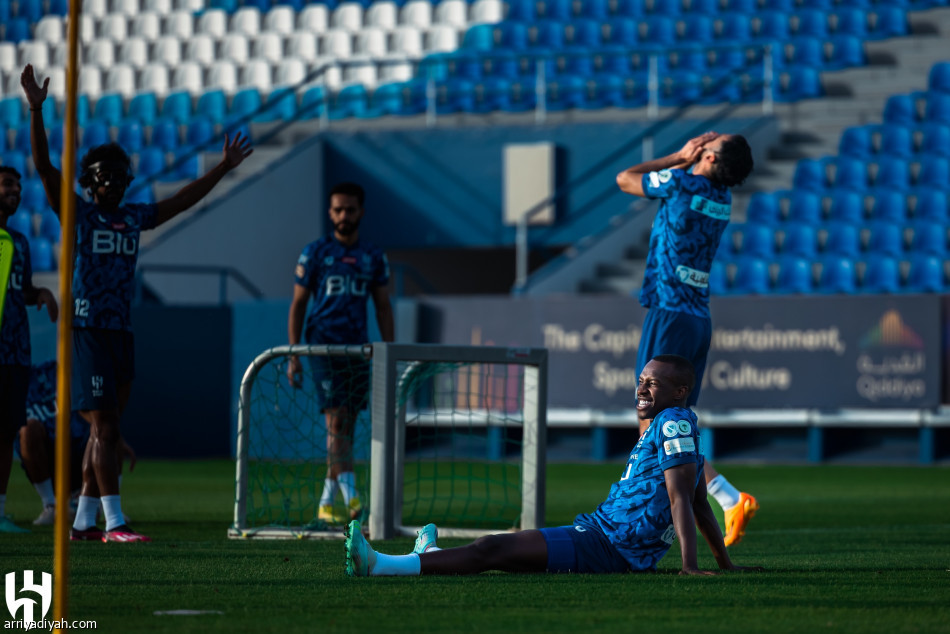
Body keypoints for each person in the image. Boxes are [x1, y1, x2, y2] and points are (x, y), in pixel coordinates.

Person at [21, 63, 253, 542]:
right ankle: (115, 522)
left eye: (118, 176)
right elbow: (44, 167)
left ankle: (82, 523)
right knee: (105, 426)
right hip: (87, 330)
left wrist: (222, 169)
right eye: (104, 177)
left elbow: (182, 202)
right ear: (90, 182)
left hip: (121, 330)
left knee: (105, 430)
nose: (112, 184)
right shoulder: (79, 214)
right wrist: (36, 111)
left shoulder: (133, 217)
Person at [344, 355, 761, 577]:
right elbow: (699, 502)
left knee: (492, 549)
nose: (641, 388)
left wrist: (690, 566)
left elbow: (681, 498)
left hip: (608, 548)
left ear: (680, 391)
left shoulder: (673, 421)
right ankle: (429, 556)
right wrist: (725, 563)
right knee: (497, 552)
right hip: (600, 536)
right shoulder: (674, 426)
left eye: (653, 383)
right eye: (641, 380)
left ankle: (381, 566)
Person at [615, 131, 759, 546]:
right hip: (697, 317)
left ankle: (718, 500)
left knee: (650, 419)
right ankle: (717, 502)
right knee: (671, 423)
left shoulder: (680, 181)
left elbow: (625, 178)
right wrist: (691, 159)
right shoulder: (722, 198)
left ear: (708, 158)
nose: (702, 141)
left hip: (669, 312)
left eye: (709, 141)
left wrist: (677, 156)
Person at [286, 182, 394, 525]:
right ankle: (354, 500)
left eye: (349, 209)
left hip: (358, 349)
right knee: (336, 422)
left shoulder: (373, 256)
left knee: (347, 426)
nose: (343, 215)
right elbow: (298, 304)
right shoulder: (315, 253)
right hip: (323, 345)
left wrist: (389, 353)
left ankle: (326, 502)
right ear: (330, 212)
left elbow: (383, 306)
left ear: (361, 212)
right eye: (337, 210)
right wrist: (294, 354)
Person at [0, 165, 58, 533]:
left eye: (18, 186)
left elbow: (20, 290)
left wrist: (41, 294)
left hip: (16, 354)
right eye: (7, 184)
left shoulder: (20, 242)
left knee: (6, 434)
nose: (16, 191)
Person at [17, 359, 137, 526]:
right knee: (27, 429)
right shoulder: (23, 381)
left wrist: (111, 437)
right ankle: (52, 506)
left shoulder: (73, 372)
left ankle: (108, 507)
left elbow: (87, 413)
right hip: (50, 458)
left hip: (81, 449)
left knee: (107, 430)